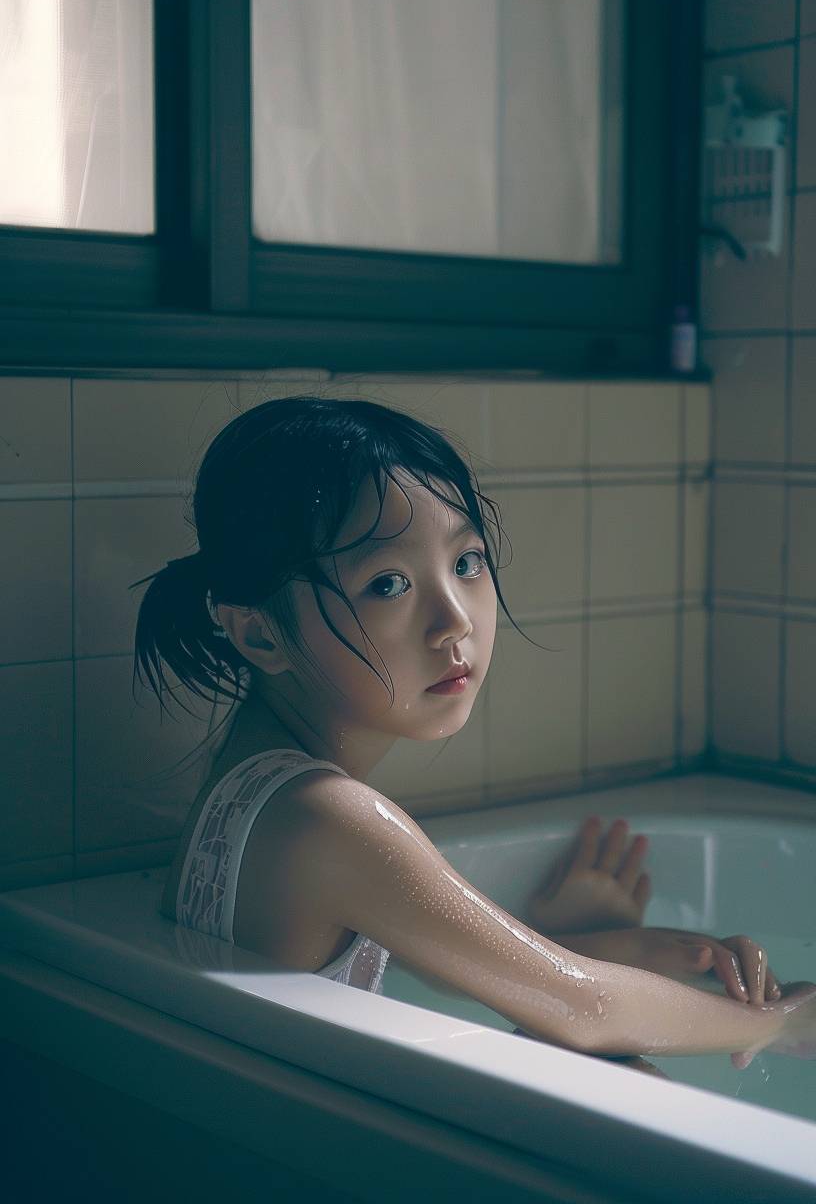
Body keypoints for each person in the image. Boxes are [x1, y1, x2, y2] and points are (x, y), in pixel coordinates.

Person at [131, 395, 816, 1071]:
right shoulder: (328, 817)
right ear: (258, 630)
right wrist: (779, 1020)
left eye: (466, 563)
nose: (454, 620)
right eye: (390, 583)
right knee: (608, 1064)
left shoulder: (250, 781)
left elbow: (448, 966)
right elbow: (588, 1011)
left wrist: (577, 940)